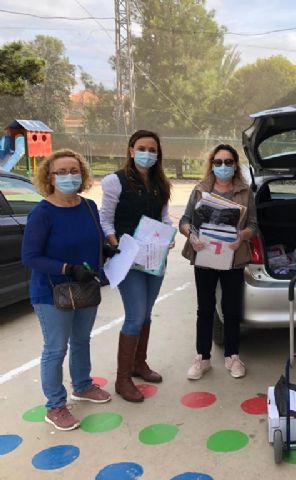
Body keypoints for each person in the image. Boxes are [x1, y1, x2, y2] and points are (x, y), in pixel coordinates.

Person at [22, 149, 111, 431]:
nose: (69, 176)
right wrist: (66, 268)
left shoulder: (88, 207)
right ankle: (55, 405)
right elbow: (31, 257)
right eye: (61, 172)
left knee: (82, 339)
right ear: (49, 177)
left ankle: (82, 386)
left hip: (85, 288)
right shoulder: (42, 213)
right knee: (55, 348)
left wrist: (107, 251)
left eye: (74, 170)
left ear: (82, 174)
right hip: (52, 293)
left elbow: (93, 240)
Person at [100, 130, 172, 403]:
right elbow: (105, 219)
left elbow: (164, 216)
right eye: (142, 148)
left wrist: (168, 235)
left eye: (153, 150)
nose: (148, 153)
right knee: (135, 315)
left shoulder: (160, 183)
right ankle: (122, 379)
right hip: (128, 258)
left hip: (154, 258)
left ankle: (139, 364)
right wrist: (116, 242)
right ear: (131, 150)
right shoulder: (114, 182)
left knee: (147, 313)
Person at [179, 144, 257, 380]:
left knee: (231, 309)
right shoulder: (200, 189)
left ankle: (233, 357)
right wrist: (190, 235)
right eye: (218, 162)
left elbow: (253, 225)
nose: (223, 167)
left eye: (228, 162)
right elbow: (185, 220)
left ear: (235, 165)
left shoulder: (245, 191)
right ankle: (202, 358)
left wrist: (242, 236)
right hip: (204, 257)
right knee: (205, 309)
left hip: (233, 258)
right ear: (212, 165)